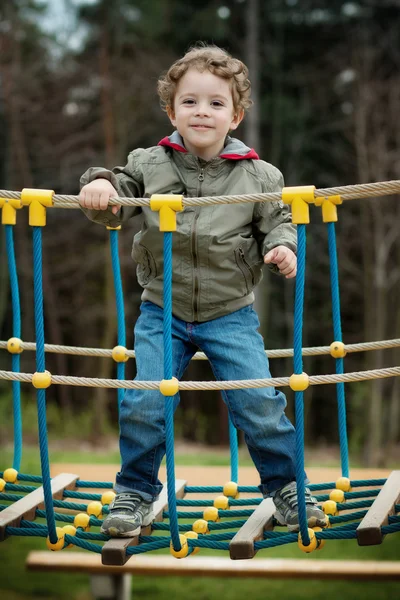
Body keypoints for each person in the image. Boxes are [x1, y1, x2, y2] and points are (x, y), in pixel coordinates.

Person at [79, 44, 327, 537]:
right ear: (171, 110)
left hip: (230, 311)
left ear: (235, 116)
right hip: (160, 308)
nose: (202, 112)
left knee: (258, 400)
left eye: (216, 104)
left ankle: (287, 486)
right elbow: (116, 197)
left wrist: (283, 249)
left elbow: (279, 221)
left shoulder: (259, 175)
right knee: (146, 401)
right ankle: (136, 493)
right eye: (189, 102)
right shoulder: (149, 164)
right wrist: (100, 185)